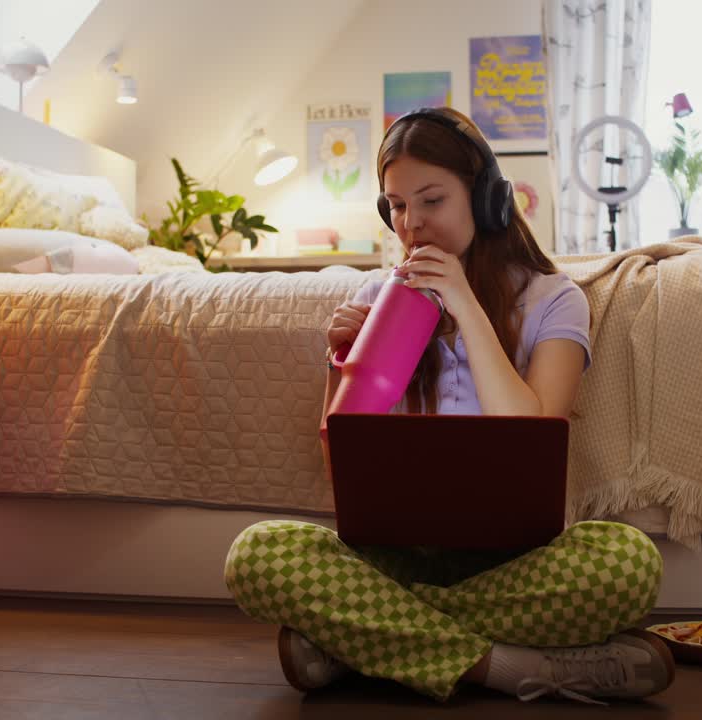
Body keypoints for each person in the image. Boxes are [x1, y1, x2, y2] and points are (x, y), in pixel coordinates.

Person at [224, 107, 672, 705]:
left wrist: (463, 301)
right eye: (398, 206)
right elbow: (339, 467)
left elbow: (532, 431)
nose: (412, 224)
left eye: (431, 200)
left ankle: (359, 641)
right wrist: (342, 366)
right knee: (257, 555)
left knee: (627, 564)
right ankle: (509, 666)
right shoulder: (373, 298)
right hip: (394, 558)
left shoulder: (553, 299)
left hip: (515, 565)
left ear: (484, 199)